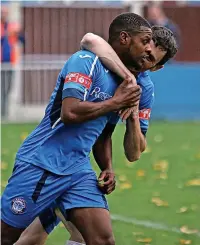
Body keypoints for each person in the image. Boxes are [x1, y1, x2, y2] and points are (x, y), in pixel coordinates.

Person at [13, 26, 178, 245]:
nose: (141, 58)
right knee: (22, 235)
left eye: (149, 59)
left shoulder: (144, 89)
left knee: (75, 236)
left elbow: (132, 151)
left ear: (157, 68)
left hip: (74, 169)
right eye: (143, 49)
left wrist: (132, 114)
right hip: (44, 159)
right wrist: (128, 80)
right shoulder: (104, 60)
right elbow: (90, 38)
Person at [1, 5, 25, 119]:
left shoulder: (12, 27)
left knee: (7, 89)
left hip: (10, 63)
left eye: (5, 12)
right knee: (2, 89)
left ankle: (4, 113)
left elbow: (22, 40)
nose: (4, 14)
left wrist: (18, 33)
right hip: (1, 64)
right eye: (2, 12)